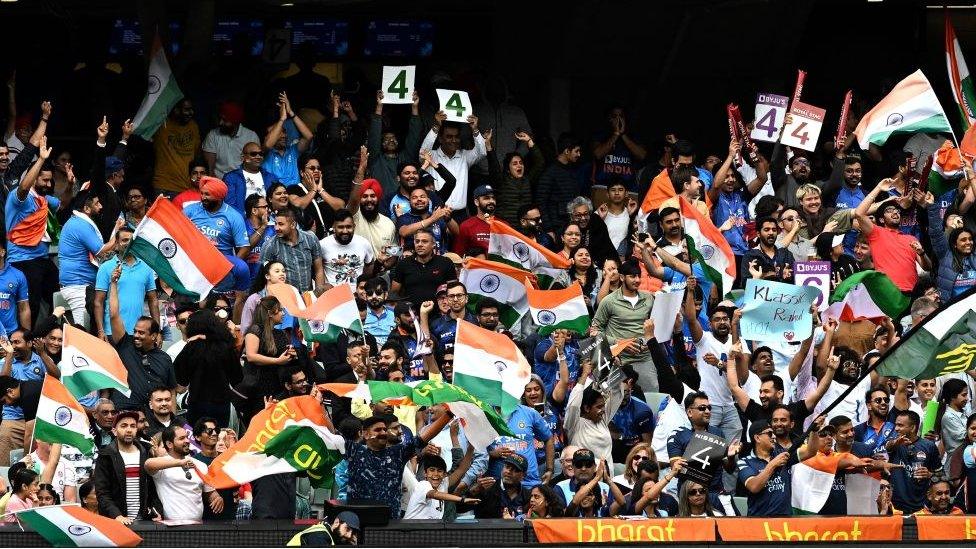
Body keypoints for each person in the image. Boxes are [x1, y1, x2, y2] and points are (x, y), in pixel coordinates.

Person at [342, 412, 453, 518]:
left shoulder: (397, 453)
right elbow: (327, 438)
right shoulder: (354, 451)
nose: (383, 433)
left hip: (389, 521)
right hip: (357, 520)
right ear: (365, 434)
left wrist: (450, 413)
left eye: (385, 429)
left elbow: (423, 438)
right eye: (377, 430)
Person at [183, 176, 254, 321]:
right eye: (202, 193)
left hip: (221, 261)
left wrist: (225, 268)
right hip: (193, 261)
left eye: (207, 194)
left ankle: (236, 318)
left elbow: (244, 247)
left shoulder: (233, 216)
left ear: (219, 196)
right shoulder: (190, 211)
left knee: (242, 268)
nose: (203, 197)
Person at [106, 264, 175, 412]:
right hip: (126, 411)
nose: (136, 335)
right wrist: (113, 283)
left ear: (154, 336)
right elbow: (114, 314)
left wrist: (172, 420)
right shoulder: (125, 344)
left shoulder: (164, 359)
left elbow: (171, 391)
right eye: (135, 331)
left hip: (153, 415)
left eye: (141, 333)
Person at [6, 137, 59, 324]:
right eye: (44, 180)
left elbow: (62, 204)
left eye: (50, 181)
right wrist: (41, 160)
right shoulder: (19, 197)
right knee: (31, 304)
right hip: (23, 260)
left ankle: (50, 335)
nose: (49, 185)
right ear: (34, 177)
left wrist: (69, 185)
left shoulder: (43, 200)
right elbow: (23, 186)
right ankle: (24, 344)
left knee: (59, 295)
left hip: (42, 259)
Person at [592, 259, 657, 391]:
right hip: (617, 360)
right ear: (622, 277)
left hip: (644, 359)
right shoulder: (608, 301)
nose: (637, 280)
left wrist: (650, 341)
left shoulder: (649, 298)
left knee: (651, 399)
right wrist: (620, 343)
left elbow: (657, 324)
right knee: (616, 401)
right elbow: (594, 331)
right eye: (632, 276)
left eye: (639, 276)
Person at [57, 191, 119, 329]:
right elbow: (102, 250)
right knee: (82, 330)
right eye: (97, 203)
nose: (101, 206)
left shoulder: (78, 222)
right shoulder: (79, 224)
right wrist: (119, 233)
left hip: (82, 284)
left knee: (89, 327)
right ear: (86, 208)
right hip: (77, 285)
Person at [854, 180, 930, 293]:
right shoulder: (876, 233)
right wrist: (879, 187)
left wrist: (922, 253)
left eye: (897, 210)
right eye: (889, 211)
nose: (895, 213)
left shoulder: (911, 239)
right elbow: (859, 213)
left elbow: (927, 267)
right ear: (881, 219)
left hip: (911, 294)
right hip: (888, 294)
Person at [737, 419, 820, 517]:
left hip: (785, 520)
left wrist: (814, 431)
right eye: (769, 433)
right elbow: (754, 486)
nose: (774, 436)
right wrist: (773, 464)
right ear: (757, 438)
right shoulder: (744, 462)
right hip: (758, 522)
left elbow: (811, 452)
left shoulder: (782, 454)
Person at [175, 309, 243, 428]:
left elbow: (180, 381)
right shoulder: (225, 347)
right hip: (221, 403)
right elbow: (237, 378)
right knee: (219, 438)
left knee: (197, 442)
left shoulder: (190, 348)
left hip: (197, 403)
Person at [93, 411, 161, 523]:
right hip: (116, 522)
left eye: (133, 426)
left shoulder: (147, 452)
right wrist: (117, 515)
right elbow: (102, 493)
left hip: (145, 521)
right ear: (114, 431)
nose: (129, 430)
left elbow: (154, 488)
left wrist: (157, 510)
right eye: (124, 426)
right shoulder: (105, 455)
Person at [93, 226, 159, 341]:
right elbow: (98, 302)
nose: (128, 243)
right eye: (124, 240)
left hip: (139, 333)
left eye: (131, 240)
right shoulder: (106, 268)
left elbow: (153, 301)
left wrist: (157, 331)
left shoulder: (146, 267)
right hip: (112, 331)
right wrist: (101, 331)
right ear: (117, 244)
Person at [144, 425, 223, 520]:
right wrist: (179, 463)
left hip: (197, 526)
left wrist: (217, 498)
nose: (187, 441)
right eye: (182, 438)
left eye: (187, 437)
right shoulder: (162, 465)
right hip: (171, 527)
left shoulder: (200, 465)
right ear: (169, 444)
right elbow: (148, 464)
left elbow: (210, 492)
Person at [564, 359, 624, 472]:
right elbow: (573, 405)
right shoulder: (574, 424)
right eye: (599, 407)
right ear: (587, 408)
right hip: (585, 478)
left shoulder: (603, 419)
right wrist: (585, 374)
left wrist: (616, 368)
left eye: (603, 406)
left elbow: (617, 394)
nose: (603, 410)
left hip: (607, 480)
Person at [419, 111, 486, 212]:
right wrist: (436, 126)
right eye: (449, 137)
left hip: (460, 214)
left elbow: (482, 152)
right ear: (441, 139)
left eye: (456, 137)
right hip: (437, 213)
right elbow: (423, 152)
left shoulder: (465, 156)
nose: (454, 140)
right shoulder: (431, 156)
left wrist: (475, 130)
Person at [885, 410, 943, 514]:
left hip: (921, 507)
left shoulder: (929, 446)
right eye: (896, 425)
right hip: (895, 506)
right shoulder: (894, 444)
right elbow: (888, 446)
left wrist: (930, 474)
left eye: (900, 425)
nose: (896, 428)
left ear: (913, 427)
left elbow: (941, 475)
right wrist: (896, 443)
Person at [260, 206, 326, 295]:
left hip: (309, 296)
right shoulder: (270, 245)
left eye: (281, 224)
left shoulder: (311, 239)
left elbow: (319, 269)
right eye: (275, 224)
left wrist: (319, 294)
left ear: (293, 225)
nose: (276, 228)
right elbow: (264, 277)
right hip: (285, 299)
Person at [368, 89, 422, 195]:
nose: (391, 140)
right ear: (381, 143)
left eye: (393, 138)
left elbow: (414, 136)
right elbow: (374, 136)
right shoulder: (376, 160)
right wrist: (379, 107)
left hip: (405, 205)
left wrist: (415, 107)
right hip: (382, 206)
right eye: (387, 139)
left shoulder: (406, 158)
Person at [490, 130, 543, 226]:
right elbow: (493, 166)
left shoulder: (527, 180)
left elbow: (540, 162)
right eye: (514, 164)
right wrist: (488, 145)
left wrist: (529, 140)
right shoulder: (502, 181)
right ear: (508, 169)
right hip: (507, 229)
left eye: (521, 163)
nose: (519, 166)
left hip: (525, 227)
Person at [390, 230, 457, 304]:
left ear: (433, 244)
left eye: (424, 241)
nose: (420, 244)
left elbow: (453, 290)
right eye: (417, 241)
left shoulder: (445, 263)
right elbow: (394, 293)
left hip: (439, 312)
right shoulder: (403, 264)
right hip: (411, 313)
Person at [403, 451, 476, 519]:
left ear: (444, 474)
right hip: (409, 530)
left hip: (427, 530)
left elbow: (462, 469)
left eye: (439, 471)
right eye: (432, 470)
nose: (436, 474)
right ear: (425, 473)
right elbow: (435, 494)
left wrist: (471, 446)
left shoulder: (443, 485)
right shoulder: (423, 485)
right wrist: (462, 499)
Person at [262, 92, 314, 185]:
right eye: (278, 133)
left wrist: (291, 112)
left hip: (296, 194)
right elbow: (268, 144)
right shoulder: (264, 153)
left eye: (284, 132)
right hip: (276, 195)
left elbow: (309, 136)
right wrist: (282, 119)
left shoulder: (293, 150)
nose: (283, 135)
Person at [537, 133, 583, 234]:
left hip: (571, 224)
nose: (579, 154)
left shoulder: (573, 170)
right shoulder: (549, 172)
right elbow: (541, 202)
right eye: (576, 151)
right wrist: (549, 229)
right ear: (567, 151)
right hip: (556, 227)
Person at [591, 105, 646, 189]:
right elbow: (598, 154)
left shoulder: (633, 136)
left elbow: (642, 155)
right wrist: (616, 134)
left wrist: (623, 134)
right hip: (604, 186)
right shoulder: (601, 135)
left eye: (621, 116)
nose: (618, 119)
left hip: (628, 188)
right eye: (614, 116)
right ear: (609, 119)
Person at [192, 417, 237, 519]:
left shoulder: (227, 459)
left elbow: (236, 487)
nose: (214, 433)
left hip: (229, 517)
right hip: (204, 519)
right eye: (209, 431)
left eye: (216, 430)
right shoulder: (193, 462)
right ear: (198, 437)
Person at [202, 101, 260, 180]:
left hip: (243, 181)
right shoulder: (213, 135)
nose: (220, 123)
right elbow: (209, 169)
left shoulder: (251, 136)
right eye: (220, 118)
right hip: (219, 182)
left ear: (235, 122)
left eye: (225, 120)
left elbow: (254, 166)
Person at [320, 209, 375, 288]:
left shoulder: (364, 243)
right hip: (332, 295)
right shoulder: (322, 245)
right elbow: (317, 269)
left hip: (357, 295)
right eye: (340, 227)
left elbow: (370, 263)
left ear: (354, 226)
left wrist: (362, 284)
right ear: (334, 227)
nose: (345, 231)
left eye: (348, 227)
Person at [453, 184, 497, 255]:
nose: (491, 201)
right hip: (476, 265)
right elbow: (459, 255)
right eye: (486, 198)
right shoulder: (466, 226)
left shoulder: (503, 225)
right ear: (476, 202)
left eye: (493, 198)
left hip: (499, 265)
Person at [243, 193, 277, 280]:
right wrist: (263, 227)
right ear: (254, 210)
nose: (268, 210)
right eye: (264, 207)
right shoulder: (242, 227)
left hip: (266, 280)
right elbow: (245, 248)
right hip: (247, 279)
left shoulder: (273, 229)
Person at [936, 379, 970, 456]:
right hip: (956, 463)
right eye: (964, 395)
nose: (967, 399)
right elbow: (965, 436)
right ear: (952, 396)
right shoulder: (949, 417)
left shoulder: (963, 413)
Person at [363, 278, 395, 346]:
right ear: (365, 296)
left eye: (378, 293)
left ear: (386, 295)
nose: (374, 296)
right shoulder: (360, 314)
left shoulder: (395, 313)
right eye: (370, 294)